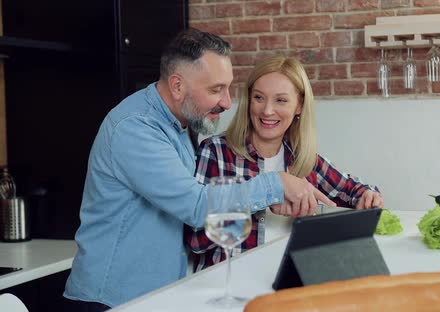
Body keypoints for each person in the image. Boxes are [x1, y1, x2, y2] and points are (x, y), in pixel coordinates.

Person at [63, 29, 333, 311]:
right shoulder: (135, 128)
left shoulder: (179, 124)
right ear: (177, 85)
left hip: (155, 296)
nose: (227, 102)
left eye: (228, 88)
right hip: (111, 301)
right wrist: (276, 184)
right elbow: (198, 205)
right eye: (216, 90)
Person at [186, 55, 383, 272]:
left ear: (299, 105)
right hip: (229, 285)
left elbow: (354, 191)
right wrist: (264, 200)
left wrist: (368, 196)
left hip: (288, 281)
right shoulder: (216, 152)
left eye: (281, 100)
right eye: (259, 97)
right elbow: (195, 241)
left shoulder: (303, 158)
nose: (267, 110)